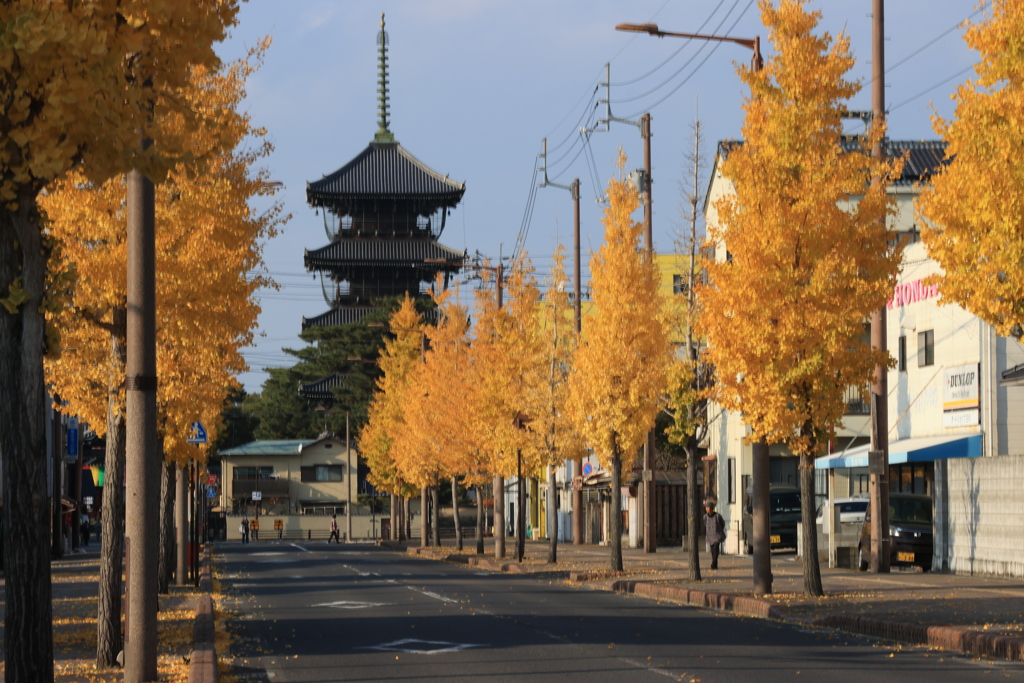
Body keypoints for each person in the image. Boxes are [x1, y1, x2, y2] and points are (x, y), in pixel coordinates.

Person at [704, 500, 726, 570]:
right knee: (712, 551)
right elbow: (705, 524)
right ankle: (715, 565)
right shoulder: (705, 516)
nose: (707, 509)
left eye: (708, 507)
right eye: (706, 508)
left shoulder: (717, 516)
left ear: (712, 508)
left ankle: (713, 563)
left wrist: (719, 529)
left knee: (716, 549)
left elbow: (722, 523)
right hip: (709, 535)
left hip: (717, 535)